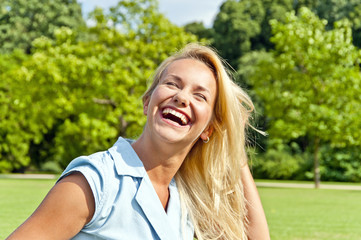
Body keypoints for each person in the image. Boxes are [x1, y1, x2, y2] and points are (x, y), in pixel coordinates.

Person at [7, 44, 270, 240]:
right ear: (147, 102)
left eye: (200, 96)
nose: (181, 97)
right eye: (172, 83)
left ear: (208, 130)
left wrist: (236, 152)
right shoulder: (96, 182)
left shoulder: (185, 198)